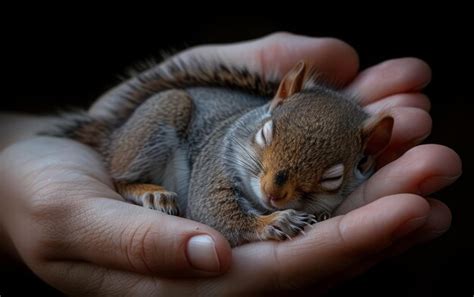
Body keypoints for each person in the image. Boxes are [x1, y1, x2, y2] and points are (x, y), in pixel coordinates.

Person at [0, 32, 461, 296]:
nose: (272, 190)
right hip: (176, 132)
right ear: (282, 97)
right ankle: (134, 182)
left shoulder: (356, 156)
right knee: (170, 108)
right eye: (264, 142)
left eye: (331, 178)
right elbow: (206, 204)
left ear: (367, 153)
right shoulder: (230, 147)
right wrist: (260, 225)